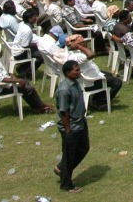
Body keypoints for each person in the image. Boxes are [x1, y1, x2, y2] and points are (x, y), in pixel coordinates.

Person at [0, 44, 53, 114]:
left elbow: (0, 74)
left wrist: (11, 76)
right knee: (28, 88)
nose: (1, 53)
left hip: (0, 85)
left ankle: (40, 105)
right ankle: (40, 107)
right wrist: (17, 80)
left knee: (25, 84)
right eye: (0, 52)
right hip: (2, 88)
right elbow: (1, 79)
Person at [55, 60, 89, 193]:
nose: (79, 72)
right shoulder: (64, 89)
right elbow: (64, 112)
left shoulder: (75, 83)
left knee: (84, 147)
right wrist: (68, 129)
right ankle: (66, 184)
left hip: (80, 122)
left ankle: (61, 168)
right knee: (69, 155)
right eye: (76, 70)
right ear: (68, 73)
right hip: (71, 126)